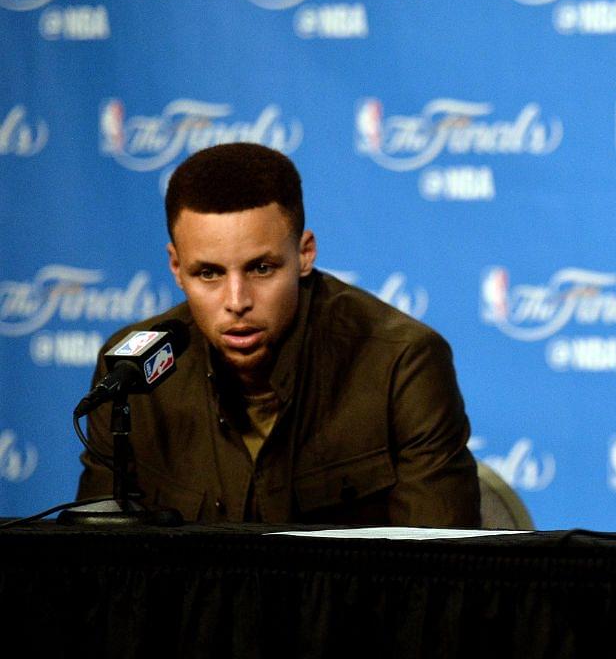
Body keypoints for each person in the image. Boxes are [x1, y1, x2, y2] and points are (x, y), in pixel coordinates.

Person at [76, 142, 481, 526]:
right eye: (209, 273)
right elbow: (100, 575)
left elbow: (440, 578)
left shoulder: (403, 364)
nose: (237, 301)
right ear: (176, 267)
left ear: (304, 254)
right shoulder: (128, 376)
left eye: (261, 268)